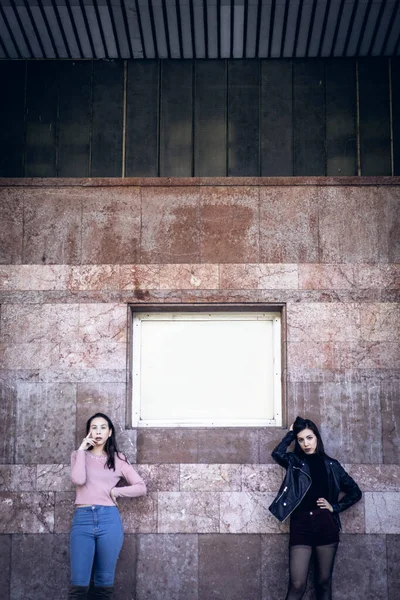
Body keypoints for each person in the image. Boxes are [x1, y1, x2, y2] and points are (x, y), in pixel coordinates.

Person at [269, 416, 362, 600]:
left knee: (324, 583)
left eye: (309, 438)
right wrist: (290, 434)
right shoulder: (295, 462)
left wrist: (334, 507)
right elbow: (277, 454)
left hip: (325, 524)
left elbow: (355, 492)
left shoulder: (332, 465)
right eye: (301, 439)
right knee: (297, 584)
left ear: (317, 437)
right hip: (301, 525)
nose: (305, 443)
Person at [69, 412, 147, 600]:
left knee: (104, 583)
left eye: (103, 427)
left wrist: (116, 492)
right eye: (94, 427)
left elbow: (141, 487)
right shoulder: (79, 455)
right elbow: (78, 479)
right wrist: (81, 449)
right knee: (79, 584)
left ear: (110, 432)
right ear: (88, 432)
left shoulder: (118, 459)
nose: (98, 432)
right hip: (82, 520)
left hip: (109, 520)